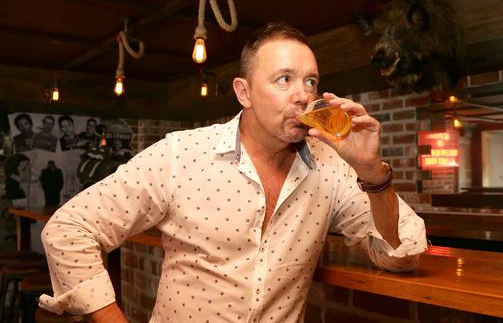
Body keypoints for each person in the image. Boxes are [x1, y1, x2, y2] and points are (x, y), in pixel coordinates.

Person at [40, 22, 427, 322]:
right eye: (284, 79)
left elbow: (402, 253)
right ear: (244, 93)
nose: (303, 95)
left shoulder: (331, 169)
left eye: (310, 81)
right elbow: (69, 230)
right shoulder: (181, 155)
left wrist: (372, 172)